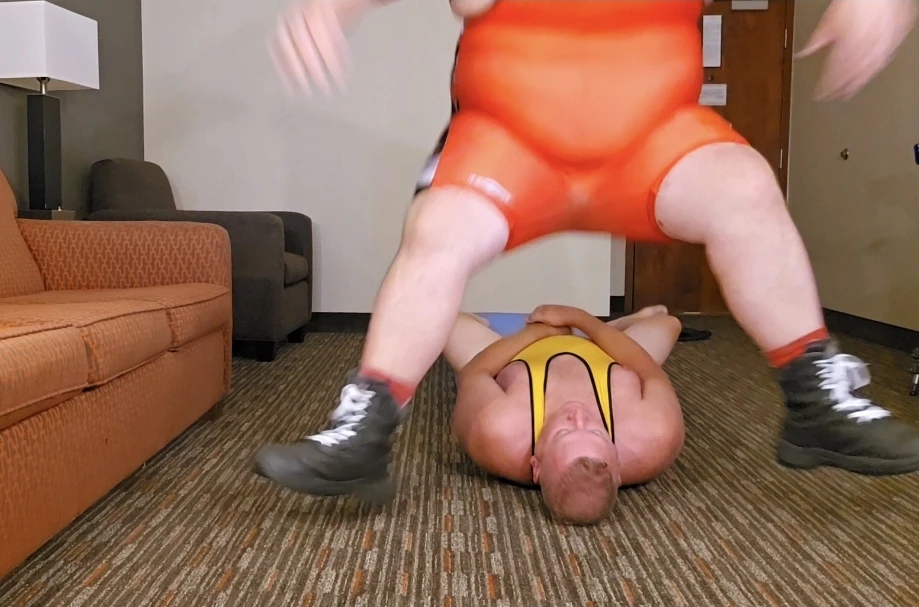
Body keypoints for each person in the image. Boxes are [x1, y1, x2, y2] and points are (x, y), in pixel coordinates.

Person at [254, 0, 919, 503]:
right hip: (509, 138)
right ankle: (367, 424)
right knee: (440, 227)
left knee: (743, 187)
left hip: (652, 139)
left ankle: (813, 395)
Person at [444, 304, 684, 524]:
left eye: (562, 433)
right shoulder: (655, 435)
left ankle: (478, 321)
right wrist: (581, 319)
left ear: (536, 467)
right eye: (596, 433)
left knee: (444, 323)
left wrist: (537, 334)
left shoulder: (498, 432)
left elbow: (475, 373)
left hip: (521, 351)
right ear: (618, 465)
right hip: (608, 351)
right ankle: (614, 328)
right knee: (668, 323)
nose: (578, 415)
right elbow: (649, 371)